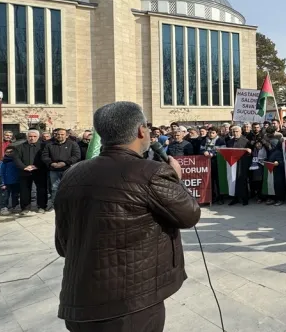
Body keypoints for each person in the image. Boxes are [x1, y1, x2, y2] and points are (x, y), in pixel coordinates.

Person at [54, 101, 201, 332]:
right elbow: (189, 215)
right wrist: (177, 179)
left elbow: (63, 244)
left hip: (78, 299)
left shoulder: (73, 173)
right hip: (132, 303)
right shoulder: (150, 172)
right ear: (142, 130)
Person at [41, 128, 82, 212]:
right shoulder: (49, 145)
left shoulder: (73, 144)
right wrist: (51, 163)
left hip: (68, 169)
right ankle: (54, 205)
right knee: (54, 188)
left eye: (62, 134)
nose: (60, 136)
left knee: (69, 188)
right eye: (58, 134)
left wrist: (65, 163)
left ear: (66, 135)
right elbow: (44, 156)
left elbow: (77, 156)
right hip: (54, 170)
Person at [14, 129, 47, 214]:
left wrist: (37, 166)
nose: (32, 138)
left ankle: (41, 206)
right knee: (24, 190)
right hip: (25, 171)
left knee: (41, 189)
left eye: (34, 136)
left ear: (38, 137)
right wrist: (24, 167)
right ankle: (25, 208)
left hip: (39, 171)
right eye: (30, 136)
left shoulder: (43, 146)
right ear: (27, 137)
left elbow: (45, 158)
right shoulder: (19, 147)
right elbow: (16, 159)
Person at [226, 126, 252, 205]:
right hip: (232, 164)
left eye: (237, 131)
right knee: (233, 180)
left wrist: (249, 151)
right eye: (234, 131)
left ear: (240, 132)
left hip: (242, 163)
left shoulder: (246, 141)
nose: (235, 133)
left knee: (242, 180)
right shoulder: (229, 142)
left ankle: (244, 198)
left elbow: (251, 153)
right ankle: (235, 198)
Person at [0, 145, 21, 215]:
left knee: (15, 195)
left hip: (16, 181)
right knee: (5, 196)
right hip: (6, 182)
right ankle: (4, 208)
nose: (9, 154)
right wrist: (1, 183)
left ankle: (15, 206)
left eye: (11, 152)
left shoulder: (17, 160)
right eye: (7, 152)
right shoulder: (3, 162)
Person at [266, 132, 286, 206]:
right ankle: (274, 198)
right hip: (272, 170)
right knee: (273, 185)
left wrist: (278, 162)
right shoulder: (271, 151)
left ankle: (280, 199)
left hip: (278, 171)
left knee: (279, 185)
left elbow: (282, 161)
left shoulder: (278, 152)